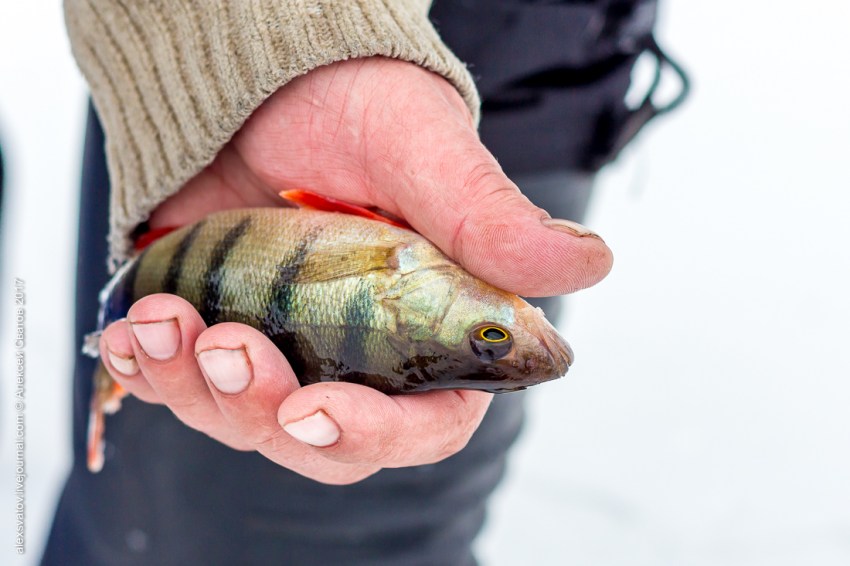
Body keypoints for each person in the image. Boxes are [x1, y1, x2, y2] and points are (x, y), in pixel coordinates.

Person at [44, 1, 684, 564]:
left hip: (532, 61)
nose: (504, 331)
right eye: (488, 336)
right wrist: (259, 36)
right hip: (203, 91)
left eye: (492, 339)